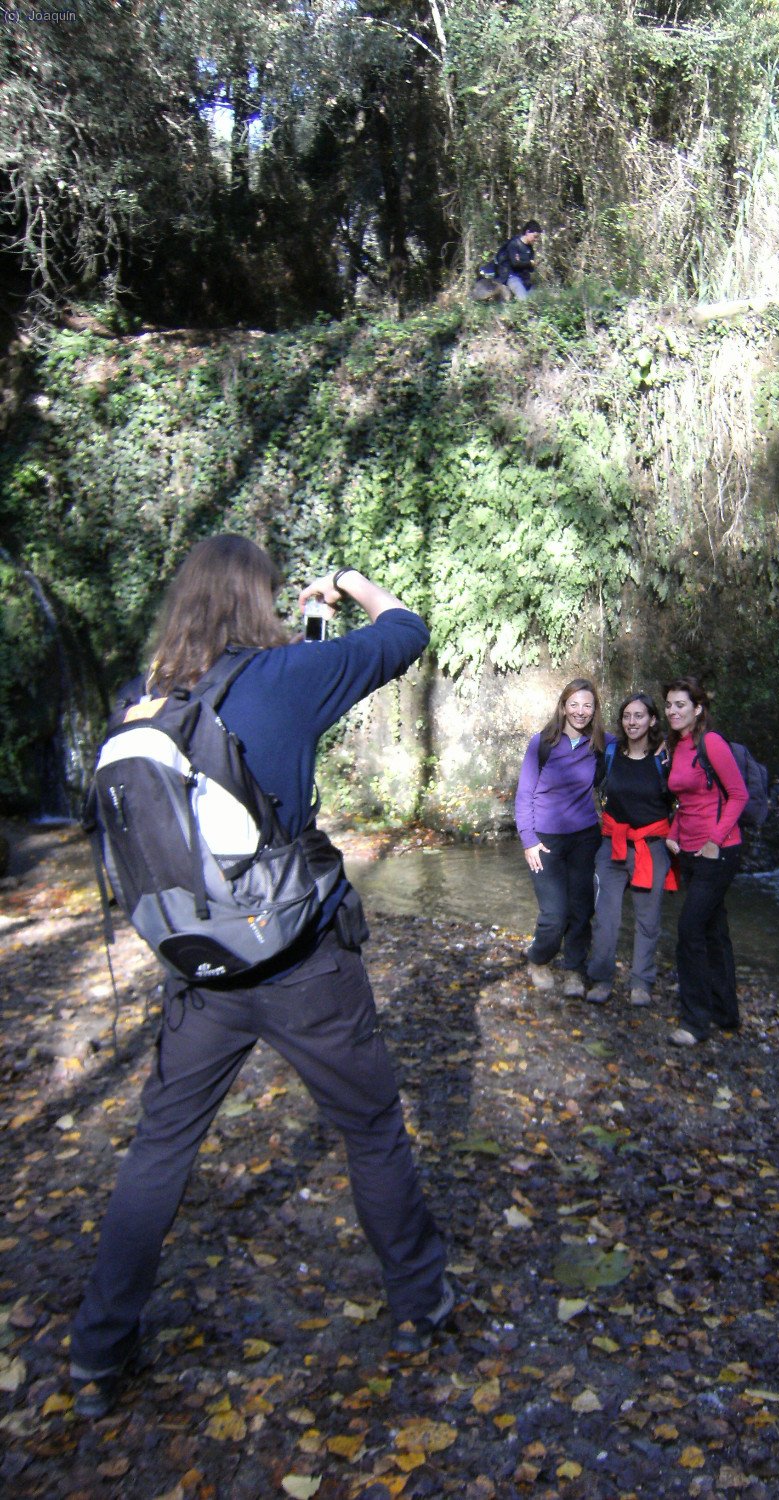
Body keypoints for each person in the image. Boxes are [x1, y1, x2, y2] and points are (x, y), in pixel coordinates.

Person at [70, 536, 452, 1420]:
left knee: (160, 1149)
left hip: (199, 974)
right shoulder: (283, 680)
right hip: (300, 961)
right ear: (261, 599)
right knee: (371, 1130)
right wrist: (355, 585)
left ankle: (97, 1355)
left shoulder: (143, 702)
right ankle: (422, 1303)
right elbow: (406, 632)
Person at [663, 676, 749, 1047]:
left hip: (719, 850)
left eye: (680, 705)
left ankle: (695, 1022)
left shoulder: (710, 742)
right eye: (668, 705)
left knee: (689, 931)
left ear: (698, 709)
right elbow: (687, 799)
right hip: (691, 851)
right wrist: (673, 830)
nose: (672, 711)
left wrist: (715, 841)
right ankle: (726, 1013)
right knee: (714, 933)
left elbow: (738, 795)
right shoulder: (678, 745)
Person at [514, 677, 608, 996]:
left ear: (594, 710)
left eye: (587, 705)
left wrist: (662, 747)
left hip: (584, 837)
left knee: (582, 909)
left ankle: (574, 971)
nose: (581, 711)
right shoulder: (541, 743)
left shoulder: (600, 744)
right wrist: (528, 839)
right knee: (554, 914)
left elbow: (636, 746)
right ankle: (538, 959)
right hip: (545, 839)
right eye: (575, 704)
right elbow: (524, 794)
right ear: (563, 706)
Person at [585, 693, 677, 1007]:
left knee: (647, 921)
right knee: (605, 917)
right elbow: (585, 781)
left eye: (639, 716)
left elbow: (684, 797)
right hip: (612, 846)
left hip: (651, 847)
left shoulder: (664, 757)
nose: (632, 722)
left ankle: (641, 982)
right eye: (627, 716)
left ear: (652, 720)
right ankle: (601, 978)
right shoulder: (610, 752)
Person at [492, 219, 541, 300]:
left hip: (524, 278)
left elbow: (530, 269)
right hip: (512, 277)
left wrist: (530, 264)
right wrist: (529, 263)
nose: (536, 240)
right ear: (527, 232)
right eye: (535, 236)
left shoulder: (530, 249)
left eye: (537, 238)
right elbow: (515, 264)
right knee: (524, 298)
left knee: (536, 299)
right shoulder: (514, 244)